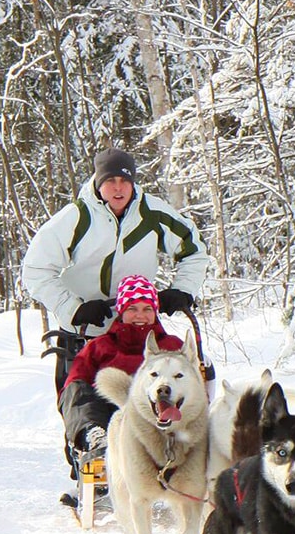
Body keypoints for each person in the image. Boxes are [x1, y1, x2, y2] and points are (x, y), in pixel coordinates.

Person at [21, 147, 207, 395]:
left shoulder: (152, 214)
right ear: (98, 183)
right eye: (110, 181)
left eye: (124, 181)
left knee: (148, 409)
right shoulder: (77, 217)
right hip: (84, 331)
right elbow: (36, 268)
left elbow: (194, 250)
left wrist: (182, 290)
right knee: (79, 401)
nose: (118, 188)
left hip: (137, 331)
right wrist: (73, 308)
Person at [58, 275, 185, 472]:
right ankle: (95, 437)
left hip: (159, 417)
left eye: (147, 309)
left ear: (156, 311)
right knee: (78, 388)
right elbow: (75, 384)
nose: (140, 315)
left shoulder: (172, 346)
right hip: (107, 415)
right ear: (121, 312)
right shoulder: (99, 346)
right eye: (132, 309)